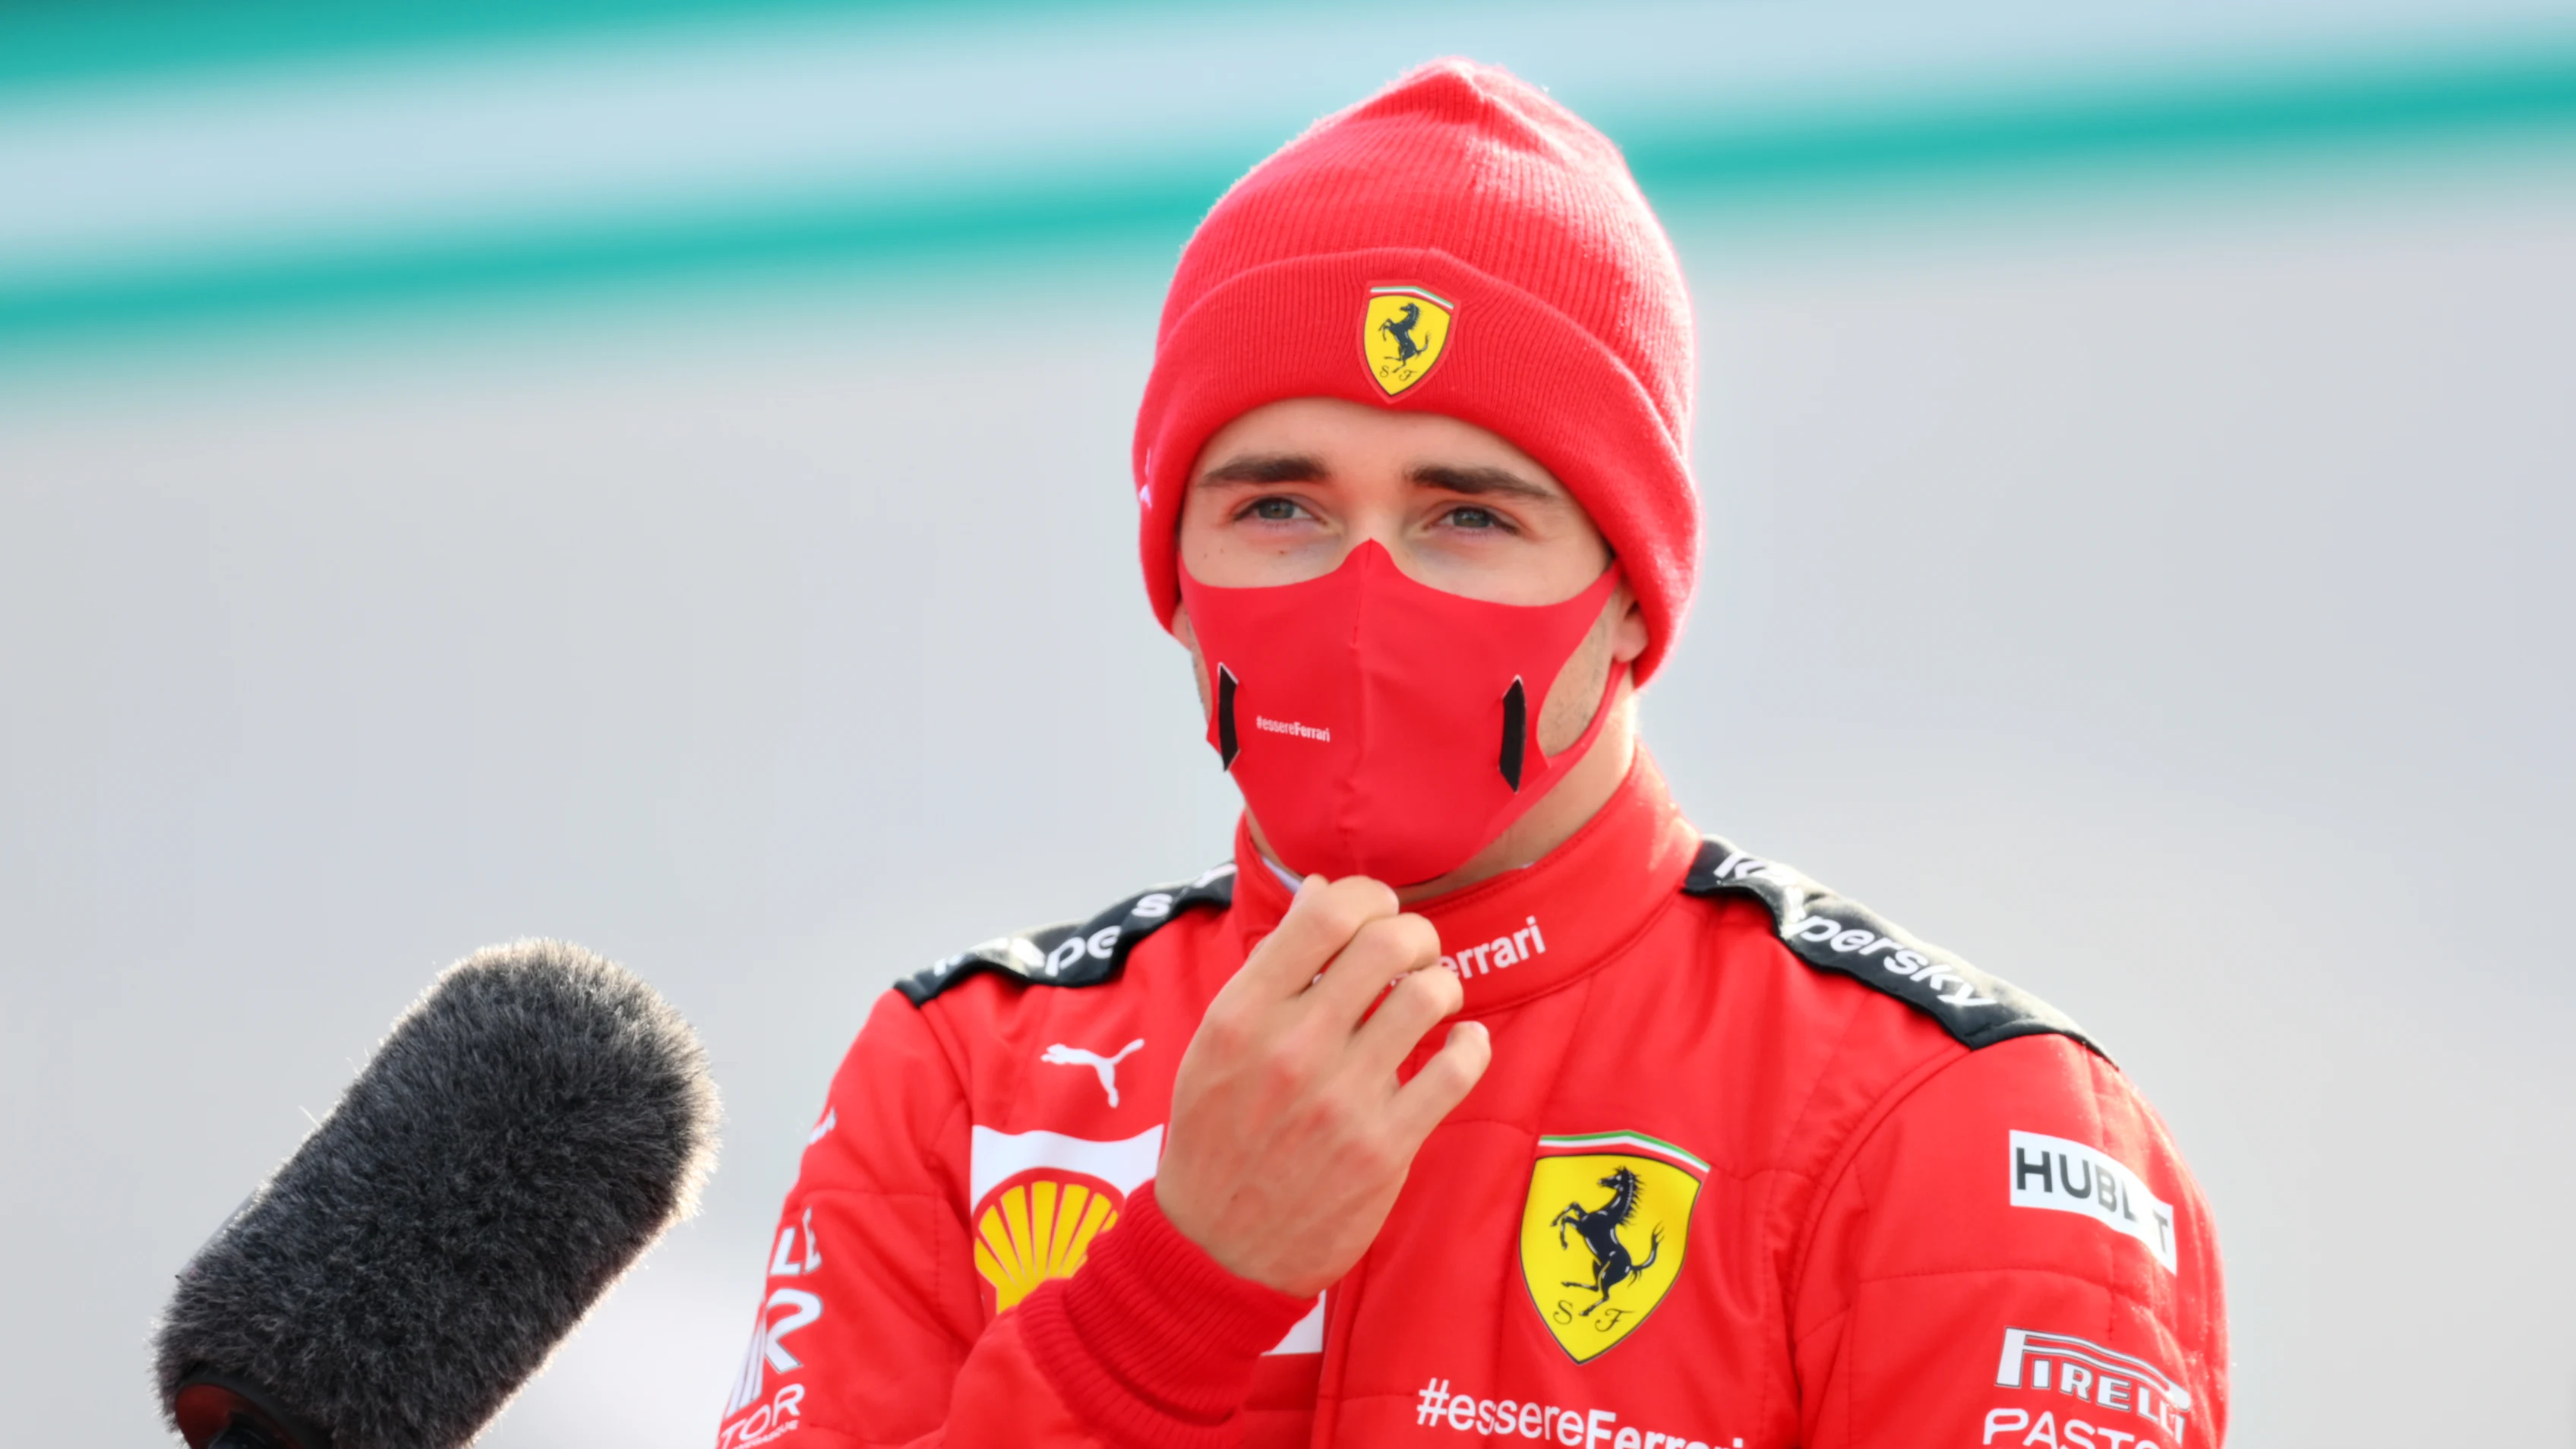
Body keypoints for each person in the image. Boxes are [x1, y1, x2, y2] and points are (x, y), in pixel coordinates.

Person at [713, 60, 2227, 1449]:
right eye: (1279, 508)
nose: (1366, 598)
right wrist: (1168, 1299)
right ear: (1169, 574)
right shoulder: (973, 1082)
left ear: (1635, 589)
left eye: (1470, 516)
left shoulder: (1959, 1124)